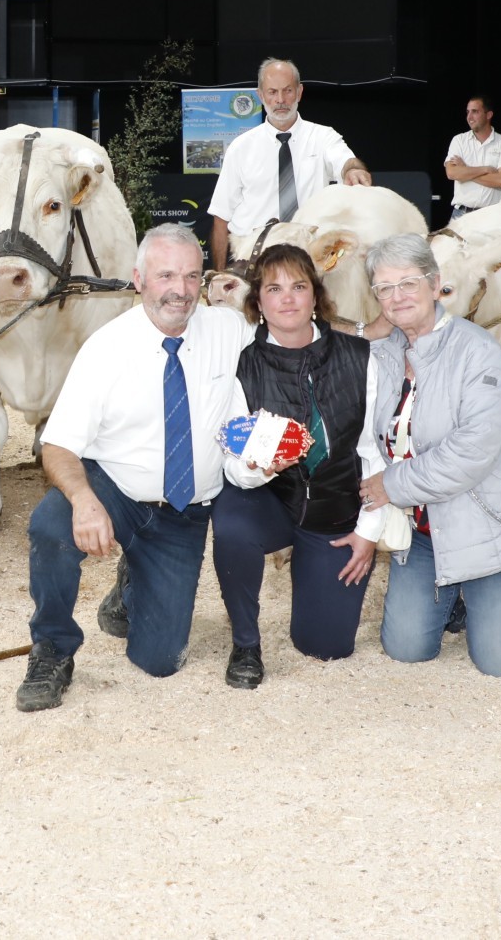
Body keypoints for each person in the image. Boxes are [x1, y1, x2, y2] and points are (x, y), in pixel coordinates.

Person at [17, 224, 255, 712]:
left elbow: (294, 327)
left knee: (161, 660)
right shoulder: (107, 347)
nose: (181, 290)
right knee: (51, 528)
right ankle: (52, 650)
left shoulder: (228, 329)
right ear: (138, 279)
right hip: (115, 489)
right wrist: (84, 503)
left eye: (192, 276)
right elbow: (58, 445)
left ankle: (129, 587)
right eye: (166, 275)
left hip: (184, 512)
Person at [357, 233, 501, 676]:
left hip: (486, 527)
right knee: (406, 648)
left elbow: (471, 451)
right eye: (384, 288)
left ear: (435, 285)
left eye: (408, 283)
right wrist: (363, 331)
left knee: (497, 661)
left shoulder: (477, 350)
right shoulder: (384, 350)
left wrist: (389, 485)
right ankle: (457, 599)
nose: (397, 297)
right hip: (425, 532)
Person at [212, 244, 388, 689]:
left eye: (298, 286)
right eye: (274, 288)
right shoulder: (242, 367)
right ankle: (246, 644)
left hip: (335, 507)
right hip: (269, 500)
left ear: (315, 296)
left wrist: (369, 532)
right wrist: (264, 466)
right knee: (231, 523)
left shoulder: (361, 358)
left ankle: (311, 574)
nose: (287, 298)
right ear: (258, 302)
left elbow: (377, 454)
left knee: (326, 646)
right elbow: (234, 467)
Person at [207, 58, 372, 268]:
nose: (281, 100)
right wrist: (221, 275)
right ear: (260, 95)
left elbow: (346, 161)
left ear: (299, 92)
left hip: (310, 256)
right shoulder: (240, 147)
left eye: (287, 91)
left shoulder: (322, 137)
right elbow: (221, 218)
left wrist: (354, 169)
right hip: (253, 259)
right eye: (272, 92)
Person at [444, 95, 501, 219]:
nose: (469, 117)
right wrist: (485, 169)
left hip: (493, 216)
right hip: (462, 214)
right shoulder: (459, 140)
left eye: (475, 112)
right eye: (468, 112)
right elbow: (452, 173)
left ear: (489, 115)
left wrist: (465, 170)